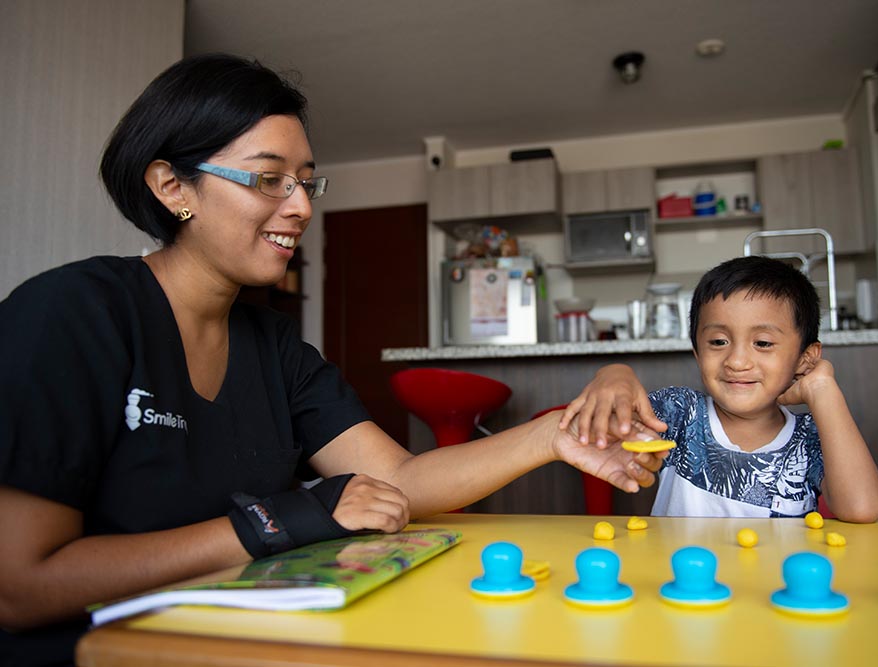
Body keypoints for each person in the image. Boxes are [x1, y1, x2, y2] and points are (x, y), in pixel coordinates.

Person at [0, 54, 659, 666]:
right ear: (173, 186)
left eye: (306, 181)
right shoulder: (71, 315)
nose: (302, 206)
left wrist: (554, 435)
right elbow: (20, 587)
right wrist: (277, 521)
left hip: (232, 645)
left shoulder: (275, 347)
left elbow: (399, 478)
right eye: (268, 179)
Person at [560, 255, 878, 522]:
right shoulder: (680, 413)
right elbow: (614, 416)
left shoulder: (812, 436)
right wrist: (614, 373)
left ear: (805, 358)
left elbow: (862, 508)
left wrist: (823, 389)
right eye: (718, 342)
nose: (737, 360)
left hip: (773, 595)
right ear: (697, 352)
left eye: (763, 343)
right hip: (681, 592)